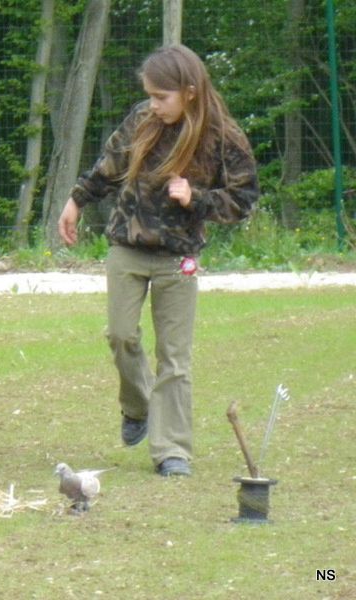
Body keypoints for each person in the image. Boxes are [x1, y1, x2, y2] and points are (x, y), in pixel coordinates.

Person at [58, 45, 259, 477]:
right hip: (126, 249)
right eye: (149, 95)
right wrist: (76, 201)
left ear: (189, 92)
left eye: (160, 97)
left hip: (179, 259)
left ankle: (173, 452)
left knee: (175, 357)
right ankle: (138, 408)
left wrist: (197, 198)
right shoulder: (142, 120)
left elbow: (244, 200)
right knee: (120, 335)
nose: (153, 105)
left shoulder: (223, 136)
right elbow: (107, 167)